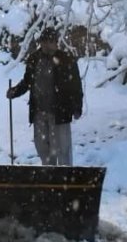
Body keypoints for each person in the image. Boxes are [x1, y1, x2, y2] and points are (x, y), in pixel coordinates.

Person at [6, 27, 83, 165]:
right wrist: (15, 91)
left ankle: (66, 178)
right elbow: (28, 81)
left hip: (60, 113)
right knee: (42, 147)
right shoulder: (34, 59)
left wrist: (77, 106)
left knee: (62, 149)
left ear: (55, 42)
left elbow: (75, 86)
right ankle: (49, 176)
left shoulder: (66, 60)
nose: (48, 45)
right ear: (41, 42)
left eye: (51, 42)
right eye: (45, 42)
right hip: (39, 112)